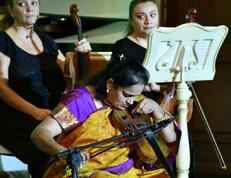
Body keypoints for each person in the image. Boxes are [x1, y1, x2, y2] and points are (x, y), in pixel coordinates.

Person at [31, 58, 180, 178]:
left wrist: (156, 109)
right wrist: (64, 153)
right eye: (127, 95)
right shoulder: (81, 102)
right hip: (84, 172)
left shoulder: (135, 101)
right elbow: (40, 134)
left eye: (135, 95)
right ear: (110, 84)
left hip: (128, 171)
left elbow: (170, 139)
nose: (131, 101)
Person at [0, 0, 91, 177]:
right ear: (11, 11)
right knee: (47, 149)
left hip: (51, 109)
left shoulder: (45, 40)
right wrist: (35, 112)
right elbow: (1, 88)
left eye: (34, 2)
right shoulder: (3, 41)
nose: (30, 8)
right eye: (22, 4)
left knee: (84, 134)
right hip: (18, 115)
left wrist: (84, 55)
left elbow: (70, 71)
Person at [111, 0, 196, 176]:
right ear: (131, 20)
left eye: (153, 15)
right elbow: (118, 82)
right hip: (138, 108)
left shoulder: (170, 44)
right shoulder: (123, 46)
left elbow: (183, 76)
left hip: (170, 102)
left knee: (184, 140)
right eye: (141, 16)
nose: (148, 21)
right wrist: (143, 86)